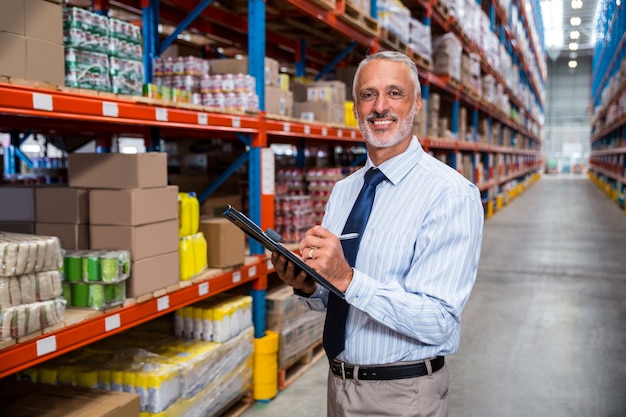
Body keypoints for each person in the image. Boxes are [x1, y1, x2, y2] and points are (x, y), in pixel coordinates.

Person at [271, 50, 484, 417]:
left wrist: (347, 277)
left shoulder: (449, 195)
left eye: (394, 93)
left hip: (403, 395)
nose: (380, 106)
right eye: (368, 94)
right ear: (355, 108)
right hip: (338, 386)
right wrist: (309, 285)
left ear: (416, 103)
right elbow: (338, 297)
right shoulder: (345, 191)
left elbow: (438, 321)